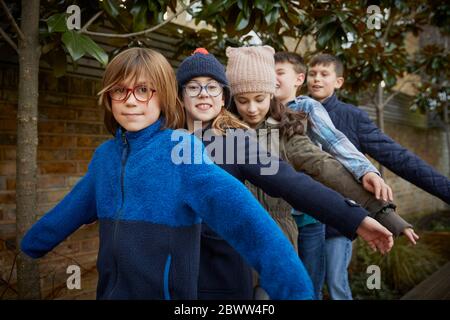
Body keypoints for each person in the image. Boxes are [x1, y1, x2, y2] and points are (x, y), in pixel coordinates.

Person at [20, 47, 318, 300]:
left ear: (164, 95)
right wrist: (32, 243)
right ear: (108, 98)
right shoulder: (104, 157)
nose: (131, 100)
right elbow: (72, 208)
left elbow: (243, 218)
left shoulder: (182, 150)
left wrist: (292, 286)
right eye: (120, 91)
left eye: (143, 90)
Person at [175, 48, 395, 299]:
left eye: (212, 87)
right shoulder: (165, 143)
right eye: (193, 87)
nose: (204, 94)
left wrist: (356, 218)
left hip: (221, 277)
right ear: (181, 95)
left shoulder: (235, 144)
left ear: (224, 97)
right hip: (172, 274)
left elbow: (292, 183)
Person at [225, 45, 417, 299]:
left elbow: (326, 166)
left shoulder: (287, 132)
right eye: (242, 100)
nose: (251, 109)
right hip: (231, 242)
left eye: (259, 99)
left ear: (272, 96)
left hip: (277, 241)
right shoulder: (220, 133)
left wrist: (385, 213)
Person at [305, 53, 448, 299]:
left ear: (338, 82)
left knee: (337, 284)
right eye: (312, 73)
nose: (316, 79)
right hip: (299, 218)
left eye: (324, 74)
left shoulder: (352, 117)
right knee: (305, 287)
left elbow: (400, 159)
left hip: (339, 219)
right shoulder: (291, 114)